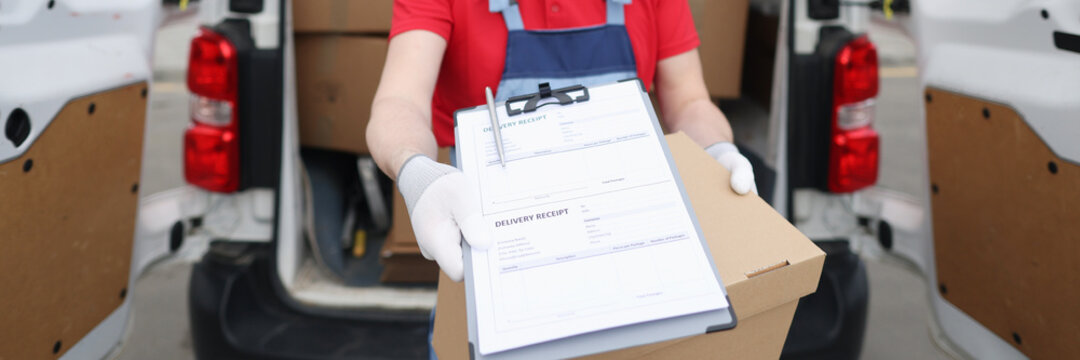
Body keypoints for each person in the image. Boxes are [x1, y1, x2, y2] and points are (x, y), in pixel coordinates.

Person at [366, 0, 756, 282]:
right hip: (498, 244)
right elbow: (399, 101)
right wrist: (415, 170)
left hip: (629, 234)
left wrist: (717, 150)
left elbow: (688, 100)